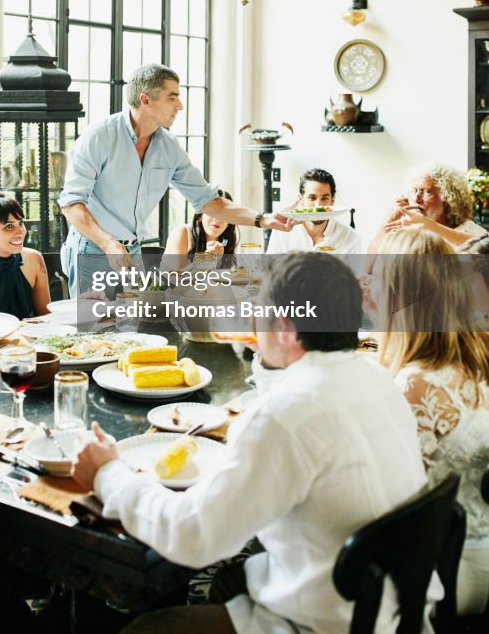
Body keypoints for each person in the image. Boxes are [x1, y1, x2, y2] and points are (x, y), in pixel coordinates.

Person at [73, 252, 436, 634]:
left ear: (287, 328)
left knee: (146, 628)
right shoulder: (374, 376)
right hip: (391, 607)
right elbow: (295, 398)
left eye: (260, 310)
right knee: (230, 580)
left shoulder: (287, 414)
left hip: (326, 621)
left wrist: (109, 474)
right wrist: (268, 355)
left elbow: (193, 538)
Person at [59, 63, 294, 297]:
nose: (180, 106)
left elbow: (209, 201)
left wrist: (264, 219)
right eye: (172, 97)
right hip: (92, 248)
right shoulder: (100, 137)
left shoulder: (169, 147)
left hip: (133, 250)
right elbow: (71, 204)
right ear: (146, 99)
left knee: (133, 327)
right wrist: (109, 244)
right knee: (92, 327)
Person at [370, 228, 489, 616]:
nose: (369, 290)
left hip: (452, 571)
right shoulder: (476, 348)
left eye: (377, 279)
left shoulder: (414, 385)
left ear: (399, 297)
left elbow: (386, 503)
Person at [369, 163, 486, 252]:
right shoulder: (406, 229)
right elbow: (368, 266)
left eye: (427, 192)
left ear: (448, 198)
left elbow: (482, 248)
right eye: (415, 191)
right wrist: (389, 220)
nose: (416, 199)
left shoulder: (469, 230)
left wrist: (429, 225)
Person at [266, 167, 362, 254]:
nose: (318, 205)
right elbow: (269, 270)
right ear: (300, 199)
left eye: (324, 198)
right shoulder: (281, 233)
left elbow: (352, 274)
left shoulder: (351, 238)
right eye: (312, 198)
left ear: (332, 200)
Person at [164, 189, 239, 259]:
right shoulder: (183, 232)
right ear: (200, 216)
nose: (217, 219)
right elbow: (175, 273)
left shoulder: (225, 240)